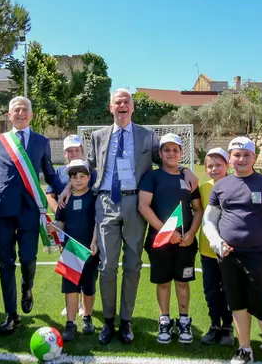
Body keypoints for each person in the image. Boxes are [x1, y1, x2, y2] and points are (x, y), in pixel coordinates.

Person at [78, 88, 197, 345]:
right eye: (117, 102)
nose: (122, 105)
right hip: (107, 201)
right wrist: (66, 185)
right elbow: (88, 166)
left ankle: (126, 321)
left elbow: (166, 158)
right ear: (111, 107)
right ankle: (109, 322)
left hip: (136, 202)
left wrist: (186, 169)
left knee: (132, 265)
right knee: (108, 266)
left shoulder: (147, 135)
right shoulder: (98, 136)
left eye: (127, 101)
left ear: (132, 108)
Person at [202, 136, 262, 364]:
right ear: (230, 159)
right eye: (236, 155)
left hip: (261, 256)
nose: (241, 159)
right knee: (237, 304)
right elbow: (209, 220)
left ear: (254, 158)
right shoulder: (220, 186)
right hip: (230, 256)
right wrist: (216, 241)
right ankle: (244, 350)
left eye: (246, 155)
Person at [0, 96, 65, 334]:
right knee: (5, 262)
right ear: (8, 115)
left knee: (28, 258)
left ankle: (27, 286)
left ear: (31, 115)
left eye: (24, 110)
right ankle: (11, 314)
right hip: (4, 209)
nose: (20, 113)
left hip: (31, 210)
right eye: (15, 110)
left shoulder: (42, 141)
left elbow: (50, 173)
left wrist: (66, 189)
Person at [138, 134, 202, 345]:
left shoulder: (188, 178)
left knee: (183, 281)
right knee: (163, 282)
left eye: (175, 150)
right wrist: (166, 231)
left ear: (181, 153)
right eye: (167, 150)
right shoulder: (152, 177)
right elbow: (143, 206)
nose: (171, 154)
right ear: (160, 153)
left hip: (185, 240)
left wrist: (191, 233)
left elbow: (198, 209)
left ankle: (184, 320)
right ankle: (164, 320)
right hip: (160, 239)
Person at [53, 159, 98, 343]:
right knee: (70, 287)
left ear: (89, 177)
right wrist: (53, 227)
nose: (78, 180)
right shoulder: (65, 200)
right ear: (69, 179)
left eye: (82, 176)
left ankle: (87, 318)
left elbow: (97, 222)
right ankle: (70, 323)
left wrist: (95, 242)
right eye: (74, 177)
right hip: (70, 250)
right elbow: (60, 222)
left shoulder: (94, 197)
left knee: (88, 287)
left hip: (89, 250)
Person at [197, 148, 234, 347]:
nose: (214, 169)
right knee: (211, 289)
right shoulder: (203, 188)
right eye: (210, 166)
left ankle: (228, 327)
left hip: (229, 249)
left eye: (218, 165)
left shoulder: (236, 186)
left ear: (227, 166)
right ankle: (214, 324)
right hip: (207, 250)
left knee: (228, 289)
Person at [45, 135, 96, 212]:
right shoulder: (58, 172)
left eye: (77, 150)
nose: (74, 153)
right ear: (64, 153)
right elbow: (50, 196)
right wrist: (59, 213)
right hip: (65, 219)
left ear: (82, 151)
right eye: (70, 151)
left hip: (87, 218)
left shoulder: (91, 172)